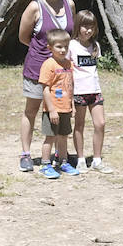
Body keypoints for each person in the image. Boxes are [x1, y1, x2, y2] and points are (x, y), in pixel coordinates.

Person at [17, 0, 76, 172]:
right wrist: (44, 54)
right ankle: (25, 154)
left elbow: (72, 35)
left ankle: (61, 155)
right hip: (38, 70)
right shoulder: (35, 7)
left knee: (61, 112)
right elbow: (24, 37)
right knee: (31, 111)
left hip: (62, 73)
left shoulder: (69, 4)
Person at [70, 10, 114, 174]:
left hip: (95, 91)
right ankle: (81, 159)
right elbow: (68, 70)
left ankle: (97, 160)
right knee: (79, 125)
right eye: (84, 27)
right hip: (79, 92)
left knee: (100, 124)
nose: (88, 31)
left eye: (91, 27)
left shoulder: (95, 46)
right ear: (78, 26)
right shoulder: (72, 45)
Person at [36, 29, 79, 180]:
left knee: (63, 137)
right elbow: (45, 90)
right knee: (50, 137)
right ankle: (45, 164)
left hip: (66, 108)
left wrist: (72, 106)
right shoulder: (48, 65)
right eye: (59, 47)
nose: (63, 50)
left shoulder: (69, 64)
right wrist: (52, 110)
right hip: (52, 110)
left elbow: (70, 86)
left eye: (65, 47)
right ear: (50, 48)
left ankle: (63, 162)